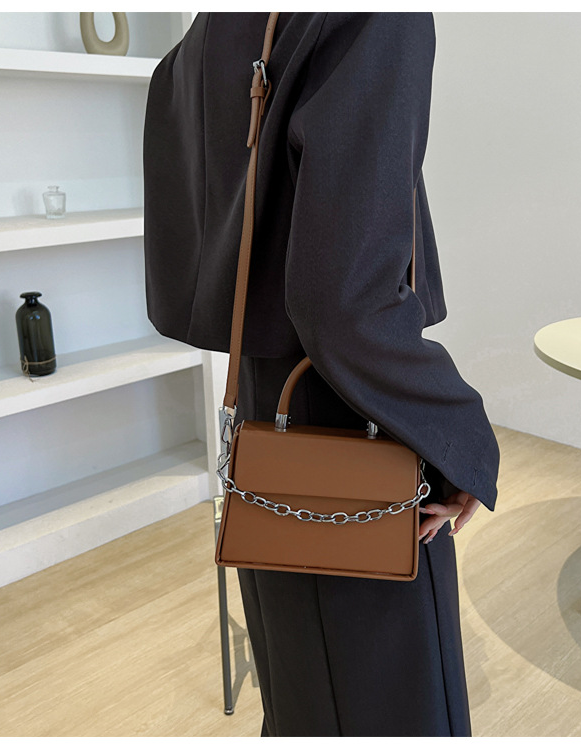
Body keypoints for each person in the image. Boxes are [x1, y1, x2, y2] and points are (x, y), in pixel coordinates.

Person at [143, 12, 500, 737]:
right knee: (389, 705)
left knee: (302, 690)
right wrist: (458, 436)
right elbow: (345, 302)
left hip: (266, 404)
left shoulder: (216, 28)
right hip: (355, 410)